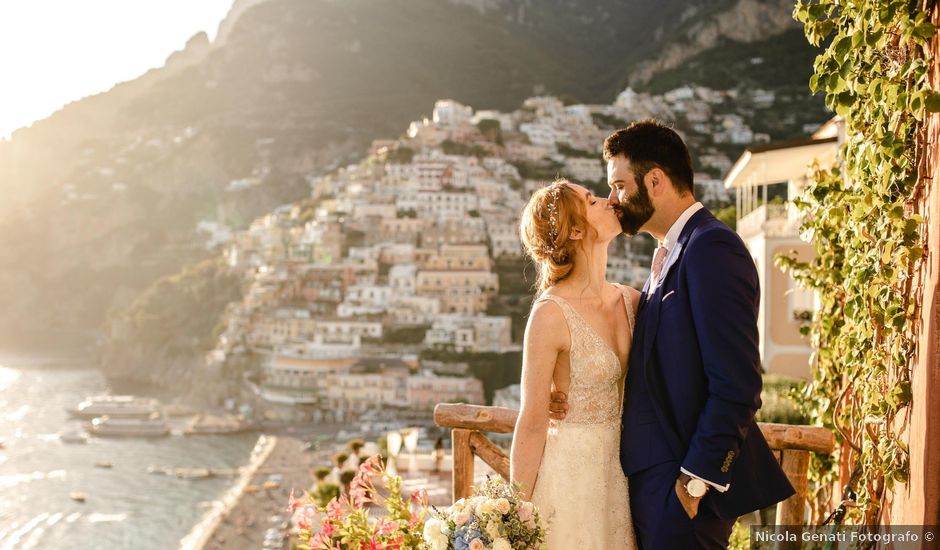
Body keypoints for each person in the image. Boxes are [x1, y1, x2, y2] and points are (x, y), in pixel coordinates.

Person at [550, 119, 795, 549]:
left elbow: (737, 383)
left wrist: (694, 482)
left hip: (682, 495)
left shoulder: (711, 248)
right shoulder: (669, 255)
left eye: (619, 185)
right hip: (648, 489)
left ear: (655, 180)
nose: (613, 199)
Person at [510, 178, 639, 549]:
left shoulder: (631, 301)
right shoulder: (550, 314)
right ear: (578, 229)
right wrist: (515, 512)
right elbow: (532, 421)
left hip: (625, 474)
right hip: (569, 480)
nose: (608, 200)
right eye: (592, 199)